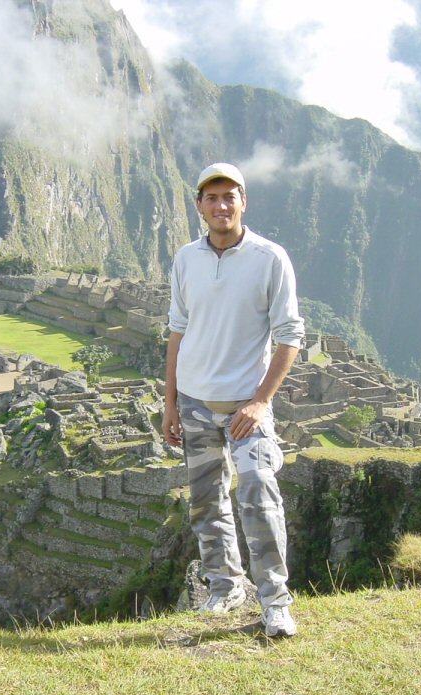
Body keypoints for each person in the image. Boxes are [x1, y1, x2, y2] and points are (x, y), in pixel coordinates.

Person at [162, 162, 306, 638]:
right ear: (199, 205)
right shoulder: (186, 259)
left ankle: (275, 601)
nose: (221, 205)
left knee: (259, 492)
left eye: (230, 196)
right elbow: (177, 331)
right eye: (212, 197)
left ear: (244, 201)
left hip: (246, 404)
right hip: (194, 402)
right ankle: (225, 587)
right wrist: (170, 404)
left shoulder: (269, 258)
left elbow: (290, 336)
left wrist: (261, 402)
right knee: (206, 502)